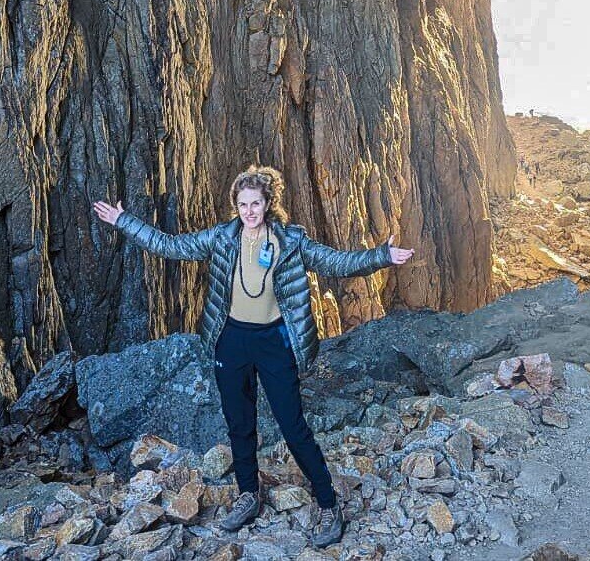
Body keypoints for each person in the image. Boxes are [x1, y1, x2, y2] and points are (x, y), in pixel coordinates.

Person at [91, 165, 414, 547]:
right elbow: (170, 246)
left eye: (255, 203)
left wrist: (382, 256)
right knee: (239, 424)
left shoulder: (290, 241)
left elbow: (335, 263)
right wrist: (124, 221)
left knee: (293, 427)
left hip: (275, 341)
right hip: (231, 340)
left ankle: (328, 503)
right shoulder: (222, 238)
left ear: (268, 203)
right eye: (242, 204)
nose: (249, 211)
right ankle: (248, 495)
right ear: (236, 206)